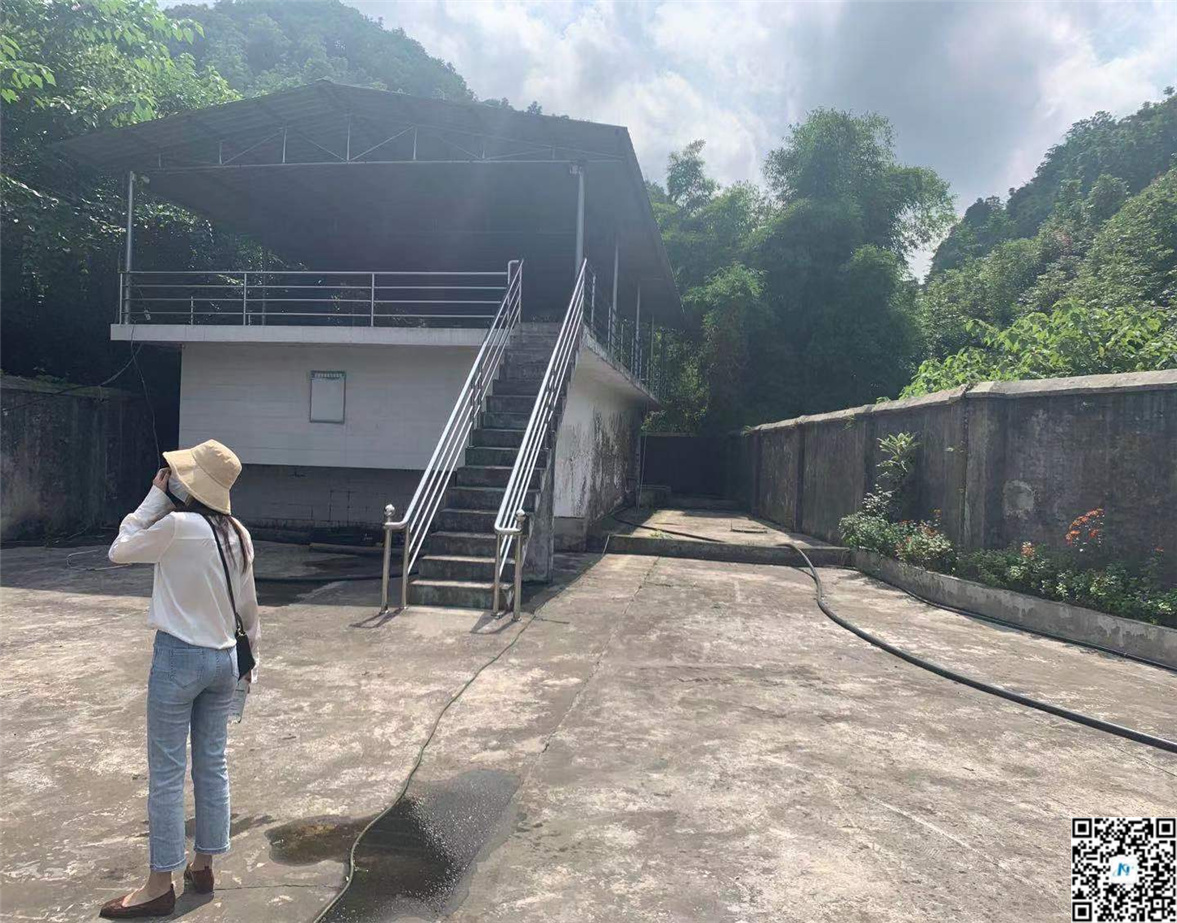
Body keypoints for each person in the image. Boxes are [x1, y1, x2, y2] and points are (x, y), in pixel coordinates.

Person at [100, 439, 259, 918]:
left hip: (179, 658)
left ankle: (158, 885)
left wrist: (154, 498)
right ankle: (203, 866)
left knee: (167, 773)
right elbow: (248, 607)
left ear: (188, 483)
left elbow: (119, 550)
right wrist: (249, 664)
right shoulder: (239, 533)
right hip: (224, 659)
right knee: (212, 764)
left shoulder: (175, 527)